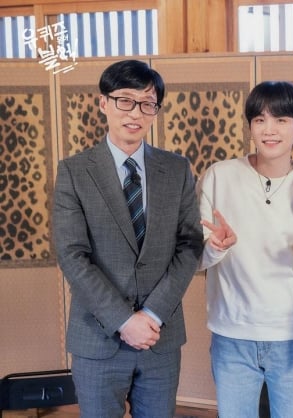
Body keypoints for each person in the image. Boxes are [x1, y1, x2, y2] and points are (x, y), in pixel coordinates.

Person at [52, 59, 204, 418]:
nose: (135, 113)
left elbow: (189, 245)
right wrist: (124, 320)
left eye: (147, 103)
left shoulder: (176, 168)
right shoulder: (74, 171)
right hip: (98, 336)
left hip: (158, 335)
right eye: (125, 100)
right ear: (103, 103)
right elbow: (72, 255)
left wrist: (150, 315)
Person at [197, 81, 293, 418]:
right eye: (260, 120)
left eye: (281, 120)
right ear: (250, 126)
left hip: (291, 336)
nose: (269, 130)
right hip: (232, 335)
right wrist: (214, 247)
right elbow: (195, 260)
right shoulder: (219, 176)